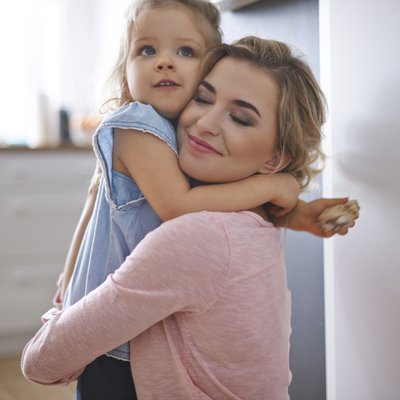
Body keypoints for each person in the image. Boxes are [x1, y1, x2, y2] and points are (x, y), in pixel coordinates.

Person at [21, 36, 358, 400]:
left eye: (241, 118)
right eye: (203, 97)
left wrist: (63, 307)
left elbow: (42, 362)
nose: (205, 123)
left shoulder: (199, 236)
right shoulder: (253, 226)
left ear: (274, 161)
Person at [56, 1, 300, 399]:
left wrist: (68, 278)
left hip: (137, 329)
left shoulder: (182, 135)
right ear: (126, 69)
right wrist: (273, 188)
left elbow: (93, 197)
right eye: (147, 50)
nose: (165, 63)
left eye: (184, 51)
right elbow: (177, 205)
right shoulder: (138, 126)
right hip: (113, 340)